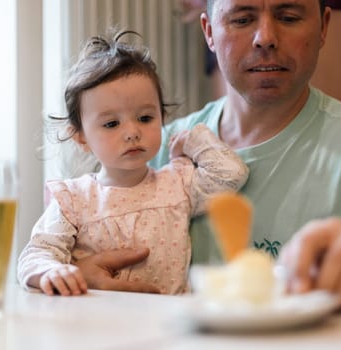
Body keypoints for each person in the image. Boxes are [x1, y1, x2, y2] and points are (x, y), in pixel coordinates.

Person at [75, 0, 341, 308]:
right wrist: (79, 276)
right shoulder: (148, 149)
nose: (265, 37)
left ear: (324, 28)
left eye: (290, 15)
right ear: (209, 32)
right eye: (242, 19)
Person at [17, 28, 249, 296]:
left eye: (145, 118)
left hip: (168, 322)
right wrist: (49, 270)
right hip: (98, 322)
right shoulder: (73, 199)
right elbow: (37, 252)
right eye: (112, 123)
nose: (132, 132)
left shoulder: (177, 184)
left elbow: (231, 173)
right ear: (81, 137)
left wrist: (194, 139)